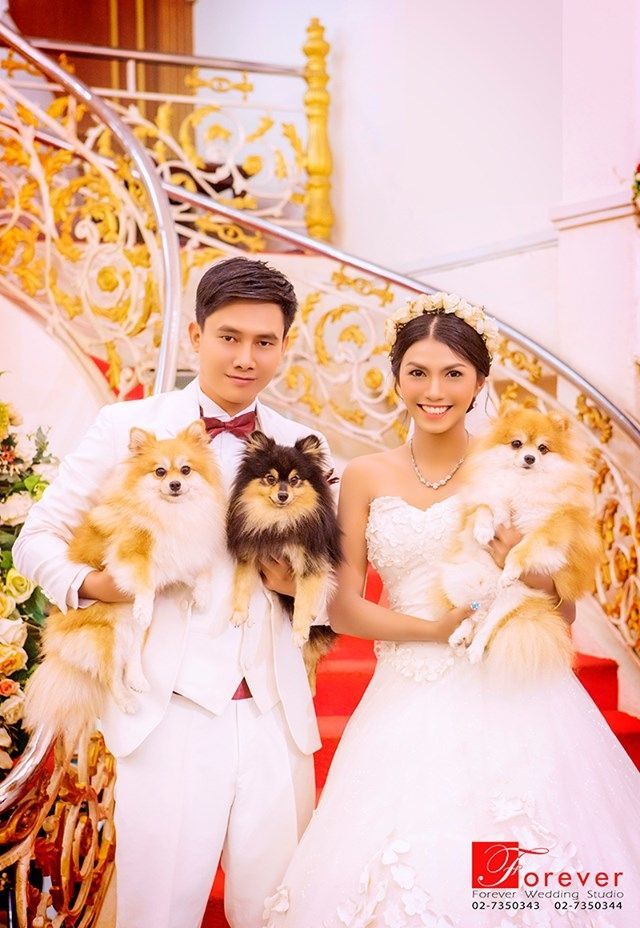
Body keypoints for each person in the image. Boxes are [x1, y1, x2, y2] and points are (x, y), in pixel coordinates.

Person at [262, 291, 640, 928]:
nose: (434, 391)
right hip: (407, 692)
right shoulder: (365, 476)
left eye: (453, 374)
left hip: (516, 688)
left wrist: (519, 556)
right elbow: (345, 609)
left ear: (479, 383)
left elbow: (565, 612)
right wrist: (434, 631)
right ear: (397, 379)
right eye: (418, 372)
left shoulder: (516, 468)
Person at [13, 257, 334, 928]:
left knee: (280, 912)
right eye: (229, 336)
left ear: (284, 347)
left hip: (276, 712)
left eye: (264, 341)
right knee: (156, 912)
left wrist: (298, 585)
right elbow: (34, 539)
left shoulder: (304, 446)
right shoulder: (126, 426)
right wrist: (99, 586)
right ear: (195, 335)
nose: (245, 357)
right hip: (166, 711)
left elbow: (332, 579)